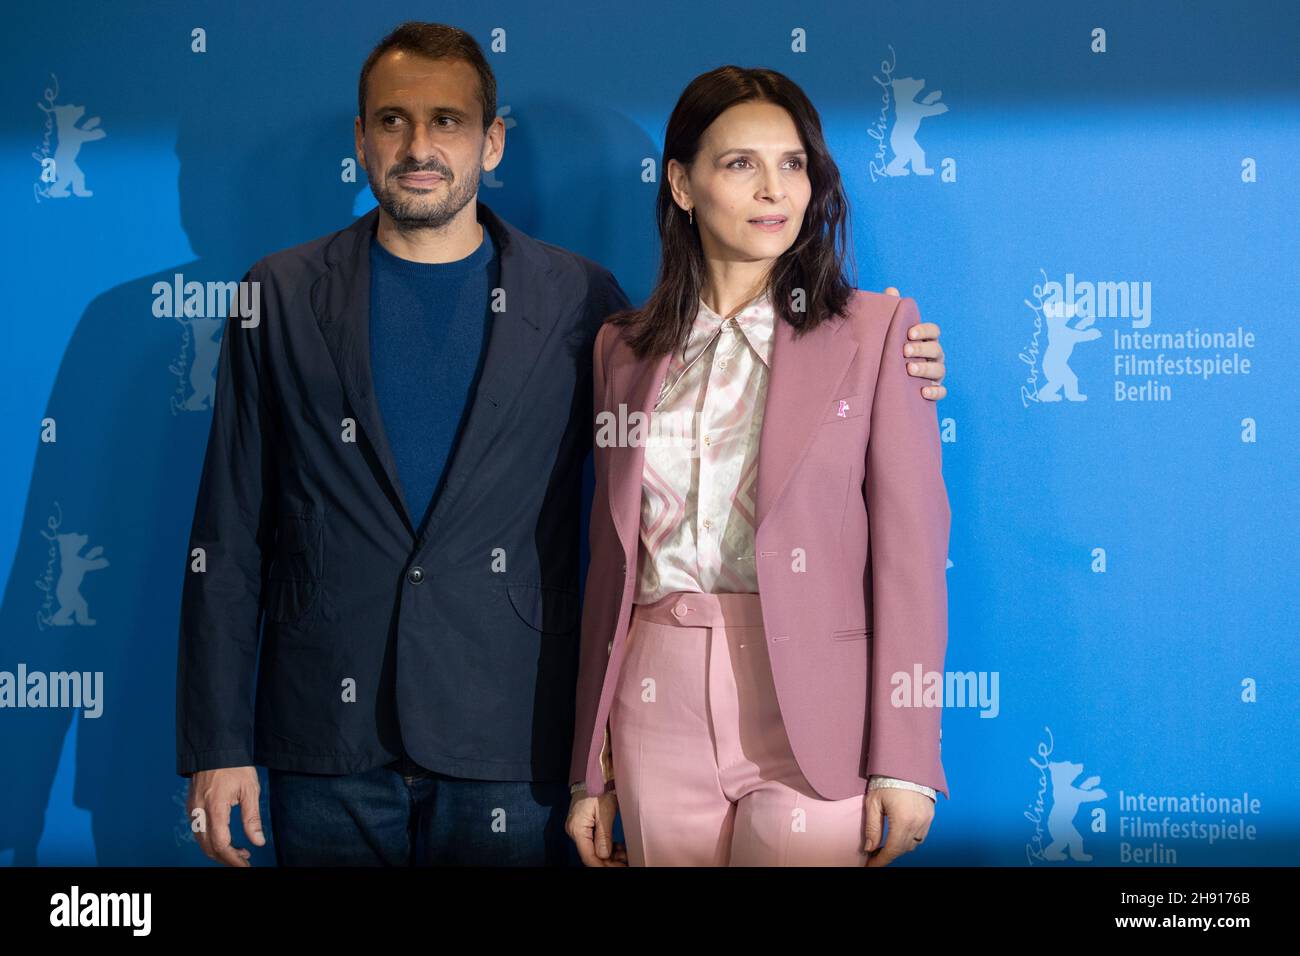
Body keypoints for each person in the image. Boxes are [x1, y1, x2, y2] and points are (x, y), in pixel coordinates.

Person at [177, 24, 948, 867]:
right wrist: (218, 741)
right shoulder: (280, 296)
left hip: (511, 738)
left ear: (492, 140)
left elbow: (895, 541)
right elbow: (229, 528)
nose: (420, 145)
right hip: (325, 733)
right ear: (360, 139)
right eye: (393, 121)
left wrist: (896, 370)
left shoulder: (582, 304)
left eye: (449, 121)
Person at [567, 65, 950, 867]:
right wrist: (587, 768)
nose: (773, 189)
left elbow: (912, 557)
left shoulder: (879, 334)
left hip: (816, 705)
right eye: (740, 163)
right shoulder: (621, 350)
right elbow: (610, 566)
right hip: (654, 699)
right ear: (681, 183)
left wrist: (908, 756)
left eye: (793, 163)